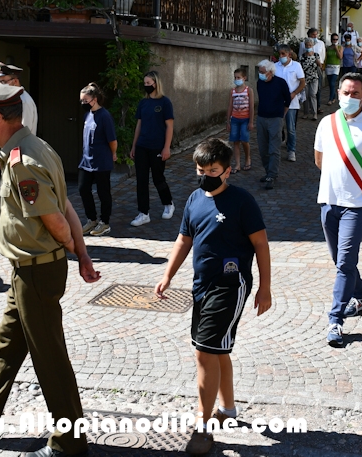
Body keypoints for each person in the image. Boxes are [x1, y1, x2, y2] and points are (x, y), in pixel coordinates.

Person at [0, 81, 100, 457]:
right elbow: (68, 207)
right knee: (6, 347)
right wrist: (83, 255)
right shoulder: (37, 147)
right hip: (26, 270)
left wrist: (76, 250)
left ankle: (69, 442)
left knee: (50, 357)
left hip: (36, 271)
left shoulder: (23, 160)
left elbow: (56, 219)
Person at [155, 138, 271, 456]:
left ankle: (203, 426)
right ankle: (228, 410)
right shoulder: (194, 198)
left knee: (204, 353)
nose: (206, 175)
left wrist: (265, 287)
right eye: (201, 169)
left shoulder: (242, 202)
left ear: (228, 171)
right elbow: (184, 239)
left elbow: (261, 245)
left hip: (231, 286)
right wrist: (167, 275)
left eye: (213, 170)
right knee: (217, 351)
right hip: (202, 286)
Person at [313, 73, 362, 347]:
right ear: (338, 93)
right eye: (346, 93)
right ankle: (360, 295)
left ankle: (335, 319)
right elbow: (319, 159)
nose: (350, 98)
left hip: (357, 207)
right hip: (328, 202)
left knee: (345, 263)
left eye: (355, 94)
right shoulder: (327, 123)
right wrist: (337, 185)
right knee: (341, 262)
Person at [0, 63, 39, 255]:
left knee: (12, 198)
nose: (0, 85)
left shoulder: (21, 101)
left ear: (15, 81)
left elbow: (19, 132)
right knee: (12, 198)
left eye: (3, 82)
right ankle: (7, 238)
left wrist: (7, 156)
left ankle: (7, 239)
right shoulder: (19, 99)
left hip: (19, 154)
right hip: (19, 153)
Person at [130, 71, 175, 226]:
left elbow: (169, 126)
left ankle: (168, 203)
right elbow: (139, 125)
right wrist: (134, 145)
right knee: (141, 180)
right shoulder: (143, 103)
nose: (146, 86)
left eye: (149, 83)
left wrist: (166, 148)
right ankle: (143, 213)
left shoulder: (165, 103)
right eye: (145, 83)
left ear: (156, 83)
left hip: (157, 147)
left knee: (158, 178)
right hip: (142, 146)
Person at [78, 83, 117, 237]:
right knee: (83, 189)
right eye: (81, 101)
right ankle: (91, 219)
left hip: (101, 161)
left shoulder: (105, 116)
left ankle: (105, 222)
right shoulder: (87, 115)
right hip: (86, 161)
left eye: (85, 100)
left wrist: (113, 154)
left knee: (103, 193)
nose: (83, 104)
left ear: (94, 99)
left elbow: (112, 140)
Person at [255, 60, 292, 190]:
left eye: (263, 72)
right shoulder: (260, 82)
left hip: (275, 118)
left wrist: (282, 114)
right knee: (262, 148)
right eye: (260, 72)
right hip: (261, 118)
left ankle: (272, 174)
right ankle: (267, 171)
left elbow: (288, 100)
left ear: (270, 72)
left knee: (274, 148)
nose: (261, 74)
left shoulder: (280, 83)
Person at [274, 44, 305, 164]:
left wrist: (294, 93)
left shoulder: (296, 66)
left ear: (289, 54)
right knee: (277, 126)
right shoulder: (275, 66)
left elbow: (302, 82)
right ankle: (276, 146)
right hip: (278, 101)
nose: (281, 56)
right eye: (279, 54)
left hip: (292, 102)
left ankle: (291, 150)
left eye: (283, 54)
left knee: (291, 128)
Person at [225, 68, 255, 173]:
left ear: (244, 78)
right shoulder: (232, 91)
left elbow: (251, 107)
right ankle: (237, 164)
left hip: (245, 119)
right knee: (235, 141)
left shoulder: (249, 90)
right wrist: (228, 121)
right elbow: (230, 106)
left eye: (238, 77)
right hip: (235, 119)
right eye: (235, 78)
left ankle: (247, 158)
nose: (236, 79)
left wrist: (251, 121)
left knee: (244, 140)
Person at [299, 28, 326, 111]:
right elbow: (300, 56)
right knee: (307, 93)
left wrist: (320, 65)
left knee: (316, 91)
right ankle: (307, 110)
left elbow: (323, 55)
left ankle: (317, 107)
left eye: (316, 34)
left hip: (316, 69)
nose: (315, 36)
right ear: (309, 34)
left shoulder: (321, 43)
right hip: (306, 71)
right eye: (313, 34)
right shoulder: (303, 44)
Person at [299, 39, 323, 121]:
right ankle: (306, 113)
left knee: (312, 94)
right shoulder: (302, 56)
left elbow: (320, 66)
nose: (308, 47)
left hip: (314, 78)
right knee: (305, 96)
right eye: (307, 45)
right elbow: (300, 68)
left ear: (312, 46)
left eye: (310, 45)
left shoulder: (316, 55)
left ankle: (314, 113)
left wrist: (318, 63)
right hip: (305, 78)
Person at [325, 34, 343, 106]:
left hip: (336, 67)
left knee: (332, 83)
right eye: (333, 39)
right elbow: (326, 57)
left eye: (336, 39)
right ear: (331, 40)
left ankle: (330, 99)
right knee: (330, 84)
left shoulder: (340, 47)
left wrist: (336, 49)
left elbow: (340, 57)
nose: (335, 41)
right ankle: (334, 96)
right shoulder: (328, 48)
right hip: (328, 67)